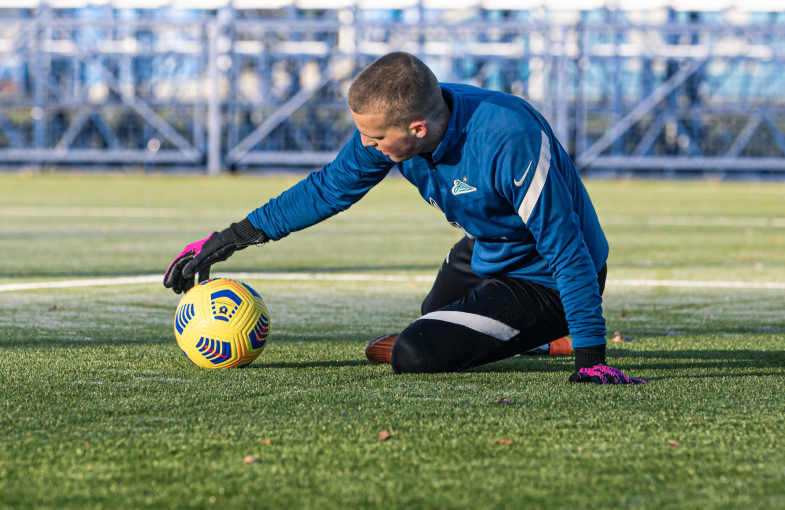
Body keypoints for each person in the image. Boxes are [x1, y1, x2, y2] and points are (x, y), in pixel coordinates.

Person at [164, 52, 646, 385]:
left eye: (374, 139)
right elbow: (328, 188)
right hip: (490, 246)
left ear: (417, 128)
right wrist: (233, 237)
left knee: (415, 353)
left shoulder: (507, 137)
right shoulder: (396, 128)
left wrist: (592, 359)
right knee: (431, 316)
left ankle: (555, 335)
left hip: (548, 276)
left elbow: (568, 250)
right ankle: (534, 339)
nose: (367, 147)